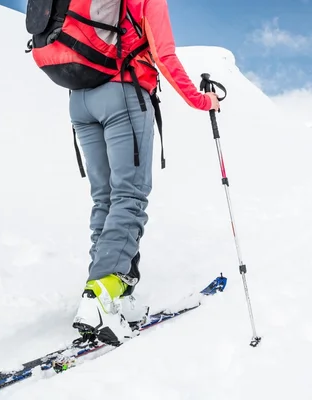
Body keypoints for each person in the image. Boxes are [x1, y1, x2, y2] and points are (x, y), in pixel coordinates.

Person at [69, 0, 220, 346]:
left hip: (79, 100)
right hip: (123, 93)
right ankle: (102, 295)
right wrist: (202, 100)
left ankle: (111, 296)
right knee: (129, 197)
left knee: (105, 199)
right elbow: (164, 57)